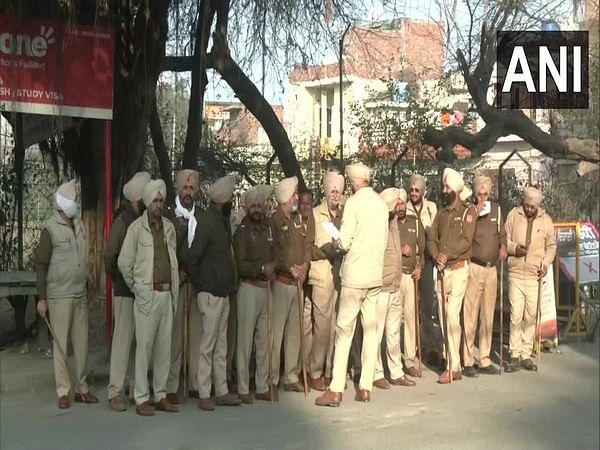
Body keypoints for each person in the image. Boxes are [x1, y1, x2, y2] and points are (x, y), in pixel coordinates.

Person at [315, 163, 388, 407]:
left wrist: (334, 243)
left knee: (344, 331)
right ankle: (365, 387)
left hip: (355, 276)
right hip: (375, 276)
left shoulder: (355, 203)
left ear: (353, 182)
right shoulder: (380, 204)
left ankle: (335, 389)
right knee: (370, 331)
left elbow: (344, 242)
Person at [118, 179, 179, 416]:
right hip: (147, 294)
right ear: (146, 202)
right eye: (154, 200)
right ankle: (142, 397)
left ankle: (160, 395)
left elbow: (172, 261)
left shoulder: (169, 228)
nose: (158, 204)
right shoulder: (136, 229)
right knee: (144, 348)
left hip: (166, 293)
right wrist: (138, 288)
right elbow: (124, 263)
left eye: (161, 200)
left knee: (164, 347)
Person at [36, 180, 98, 409]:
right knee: (60, 344)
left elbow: (83, 260)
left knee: (81, 344)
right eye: (73, 202)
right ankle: (63, 391)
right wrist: (42, 299)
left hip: (79, 294)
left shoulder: (79, 225)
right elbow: (41, 266)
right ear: (63, 204)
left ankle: (82, 388)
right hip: (58, 296)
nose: (76, 205)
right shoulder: (49, 229)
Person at [186, 175, 241, 410]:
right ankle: (205, 393)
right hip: (210, 293)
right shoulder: (207, 223)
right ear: (224, 200)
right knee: (207, 346)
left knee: (221, 346)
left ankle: (221, 391)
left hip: (223, 292)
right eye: (230, 199)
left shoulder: (220, 221)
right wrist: (202, 286)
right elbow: (192, 258)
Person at [105, 171, 151, 411]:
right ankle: (115, 390)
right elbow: (110, 255)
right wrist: (120, 279)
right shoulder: (123, 222)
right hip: (125, 290)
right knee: (123, 342)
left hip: (140, 290)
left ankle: (135, 388)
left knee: (138, 343)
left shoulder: (140, 219)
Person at [427, 168, 477, 384]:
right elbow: (432, 239)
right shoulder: (441, 212)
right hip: (442, 271)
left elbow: (466, 241)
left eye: (447, 187)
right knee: (443, 315)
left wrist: (447, 255)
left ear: (455, 189)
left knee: (451, 317)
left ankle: (453, 366)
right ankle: (450, 359)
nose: (444, 190)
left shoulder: (468, 211)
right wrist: (437, 255)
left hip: (458, 269)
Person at [270, 176, 315, 393]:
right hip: (281, 281)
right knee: (276, 333)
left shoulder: (298, 219)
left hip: (297, 281)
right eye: (294, 194)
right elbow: (275, 252)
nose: (297, 197)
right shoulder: (274, 220)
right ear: (285, 197)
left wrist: (305, 266)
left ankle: (290, 376)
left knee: (294, 333)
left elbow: (307, 245)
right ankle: (271, 378)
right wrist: (291, 268)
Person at [504, 186, 556, 372]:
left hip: (534, 274)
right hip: (516, 273)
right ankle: (514, 354)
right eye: (526, 205)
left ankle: (526, 353)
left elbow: (551, 246)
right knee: (516, 315)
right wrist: (514, 248)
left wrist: (546, 263)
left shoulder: (546, 221)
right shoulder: (513, 215)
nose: (528, 209)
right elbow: (504, 240)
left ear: (537, 206)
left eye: (532, 207)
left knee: (530, 315)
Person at [233, 187, 277, 403]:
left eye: (260, 205)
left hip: (265, 289)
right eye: (253, 206)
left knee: (263, 340)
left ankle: (261, 385)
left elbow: (276, 252)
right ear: (247, 208)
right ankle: (242, 387)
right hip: (249, 288)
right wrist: (260, 269)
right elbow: (239, 263)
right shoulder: (242, 231)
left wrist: (273, 266)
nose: (257, 210)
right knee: (245, 342)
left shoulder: (269, 228)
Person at [462, 176, 507, 377]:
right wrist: (475, 212)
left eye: (485, 193)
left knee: (488, 314)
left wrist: (504, 247)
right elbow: (464, 236)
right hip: (474, 266)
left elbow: (502, 234)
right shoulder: (469, 210)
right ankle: (468, 358)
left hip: (491, 269)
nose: (482, 197)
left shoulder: (496, 209)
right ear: (474, 193)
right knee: (470, 313)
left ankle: (485, 357)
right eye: (479, 193)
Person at [373, 188, 416, 389]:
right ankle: (376, 372)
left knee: (393, 332)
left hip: (395, 284)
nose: (398, 207)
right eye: (395, 203)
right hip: (382, 286)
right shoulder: (379, 224)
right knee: (377, 331)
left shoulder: (393, 224)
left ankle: (396, 371)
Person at [165, 169, 201, 402]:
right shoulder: (170, 217)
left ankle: (196, 383)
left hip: (196, 282)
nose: (188, 192)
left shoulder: (201, 217)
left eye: (191, 189)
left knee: (196, 336)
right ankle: (171, 385)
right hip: (177, 283)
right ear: (178, 190)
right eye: (185, 188)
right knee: (175, 338)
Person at [308, 171, 345, 391]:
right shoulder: (315, 214)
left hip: (340, 277)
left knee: (336, 326)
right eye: (332, 190)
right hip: (322, 276)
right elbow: (308, 246)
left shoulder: (345, 215)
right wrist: (325, 252)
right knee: (321, 327)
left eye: (338, 191)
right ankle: (315, 371)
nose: (335, 194)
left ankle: (330, 370)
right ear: (325, 190)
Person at [406, 174, 441, 367]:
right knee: (411, 308)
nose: (413, 193)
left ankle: (431, 346)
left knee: (428, 307)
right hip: (410, 262)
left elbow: (435, 234)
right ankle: (413, 348)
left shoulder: (431, 208)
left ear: (423, 191)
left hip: (427, 262)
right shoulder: (405, 208)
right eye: (411, 190)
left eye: (416, 190)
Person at [395, 189, 426, 379]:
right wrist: (400, 250)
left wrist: (420, 267)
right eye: (397, 204)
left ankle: (410, 360)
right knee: (394, 320)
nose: (400, 207)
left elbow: (422, 251)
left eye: (402, 204)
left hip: (411, 276)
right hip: (396, 275)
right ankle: (393, 360)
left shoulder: (415, 223)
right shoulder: (389, 224)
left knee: (411, 318)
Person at [298, 189, 315, 378]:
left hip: (314, 279)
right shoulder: (294, 222)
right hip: (299, 279)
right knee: (301, 326)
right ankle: (299, 367)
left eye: (308, 203)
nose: (305, 206)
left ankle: (309, 366)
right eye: (302, 203)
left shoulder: (316, 221)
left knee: (312, 326)